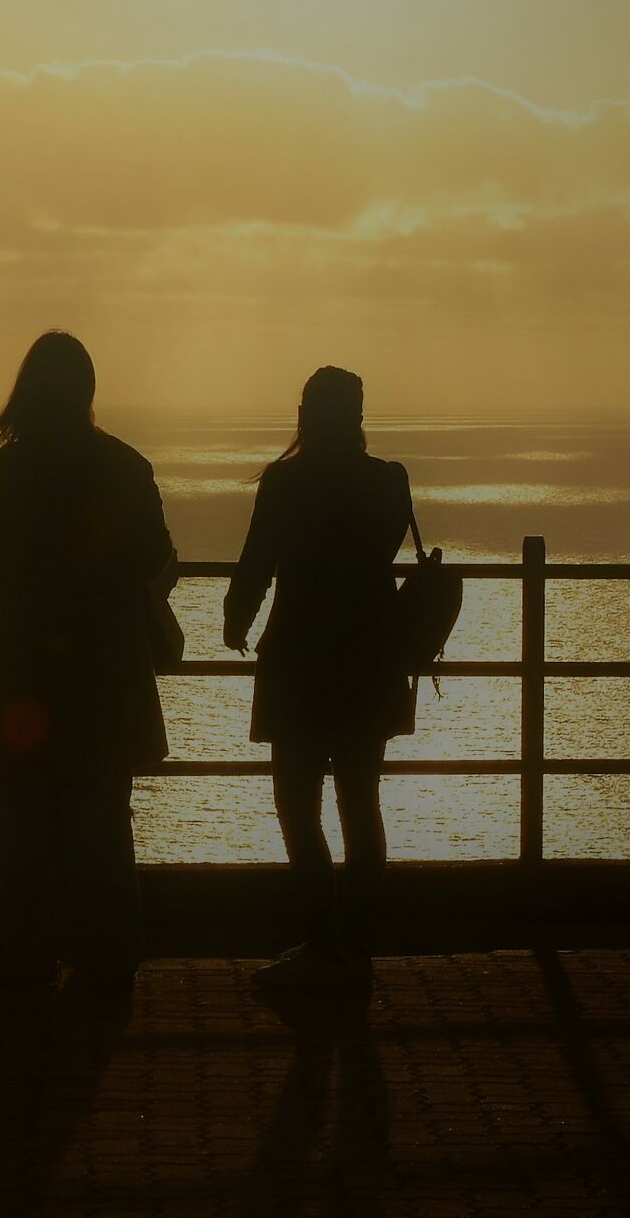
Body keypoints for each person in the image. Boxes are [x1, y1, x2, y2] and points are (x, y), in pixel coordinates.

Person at [0, 331, 172, 1005]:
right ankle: (107, 956)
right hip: (104, 674)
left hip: (22, 677)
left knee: (19, 820)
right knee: (102, 819)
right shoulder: (126, 468)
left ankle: (23, 958)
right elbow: (154, 556)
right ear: (88, 392)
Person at [225, 366, 414, 992]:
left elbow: (259, 559)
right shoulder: (390, 481)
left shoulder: (285, 481)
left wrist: (236, 618)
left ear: (307, 412)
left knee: (298, 806)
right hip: (369, 658)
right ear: (358, 414)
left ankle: (321, 941)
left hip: (300, 659)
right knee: (362, 803)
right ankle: (357, 944)